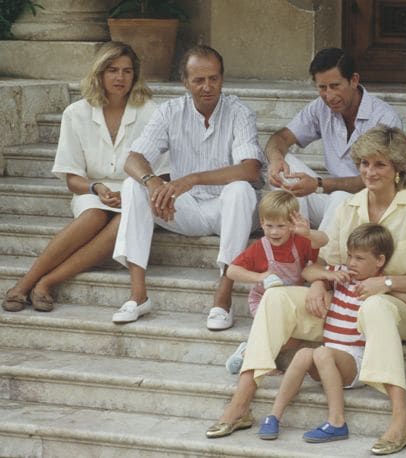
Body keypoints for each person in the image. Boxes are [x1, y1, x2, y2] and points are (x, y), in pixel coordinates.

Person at [206, 126, 406, 456]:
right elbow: (322, 260)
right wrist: (318, 283)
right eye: (364, 163)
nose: (369, 172)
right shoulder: (350, 205)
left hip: (402, 306)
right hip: (345, 303)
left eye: (379, 165)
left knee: (375, 306)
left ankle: (400, 419)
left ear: (398, 169)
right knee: (276, 297)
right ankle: (241, 402)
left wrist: (385, 283)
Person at [2, 42, 167, 313]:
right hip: (91, 190)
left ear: (135, 76)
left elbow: (161, 172)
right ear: (99, 73)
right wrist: (97, 187)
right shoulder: (75, 113)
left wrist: (132, 192)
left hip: (136, 190)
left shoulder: (150, 112)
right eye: (112, 70)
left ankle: (46, 282)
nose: (120, 77)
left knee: (126, 219)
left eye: (127, 71)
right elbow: (72, 178)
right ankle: (23, 284)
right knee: (95, 215)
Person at [111, 45, 264, 330]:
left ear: (222, 78)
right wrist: (154, 182)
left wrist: (191, 178)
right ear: (185, 82)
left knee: (240, 189)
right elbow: (133, 159)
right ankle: (138, 294)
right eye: (199, 80)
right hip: (186, 209)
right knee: (133, 186)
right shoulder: (170, 111)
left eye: (214, 78)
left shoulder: (239, 112)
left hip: (230, 210)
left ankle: (224, 294)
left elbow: (251, 169)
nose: (208, 87)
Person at [256, 223, 406, 443]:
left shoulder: (377, 284)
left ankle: (337, 422)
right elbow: (307, 270)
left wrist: (387, 287)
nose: (352, 263)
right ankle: (274, 415)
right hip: (328, 359)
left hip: (355, 361)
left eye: (359, 258)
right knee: (304, 353)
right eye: (350, 256)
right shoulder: (342, 274)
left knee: (322, 353)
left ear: (379, 261)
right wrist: (326, 278)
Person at [265, 47, 402, 231]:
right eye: (322, 88)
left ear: (354, 80)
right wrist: (276, 160)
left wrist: (320, 185)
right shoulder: (319, 108)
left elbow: (381, 177)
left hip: (370, 206)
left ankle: (321, 257)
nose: (329, 96)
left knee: (340, 198)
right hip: (331, 201)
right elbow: (280, 137)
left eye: (335, 86)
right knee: (285, 165)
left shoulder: (384, 117)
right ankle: (295, 246)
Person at [223, 190, 327, 375]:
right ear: (261, 222)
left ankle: (249, 350)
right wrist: (259, 277)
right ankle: (259, 359)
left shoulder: (301, 241)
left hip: (291, 300)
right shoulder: (259, 248)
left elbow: (323, 240)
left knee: (295, 337)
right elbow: (231, 271)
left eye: (281, 226)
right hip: (263, 300)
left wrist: (308, 233)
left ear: (292, 224)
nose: (274, 231)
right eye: (269, 225)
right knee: (278, 333)